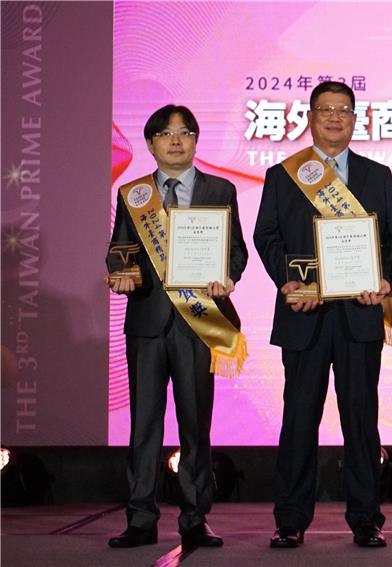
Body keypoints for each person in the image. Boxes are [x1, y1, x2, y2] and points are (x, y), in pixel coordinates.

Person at [253, 81, 392, 549]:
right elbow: (266, 236)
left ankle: (366, 518)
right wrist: (289, 281)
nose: (335, 117)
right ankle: (290, 519)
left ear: (355, 119)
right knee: (299, 418)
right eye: (326, 109)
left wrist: (384, 280)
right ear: (310, 117)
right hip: (304, 316)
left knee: (361, 420)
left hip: (360, 316)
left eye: (344, 109)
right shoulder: (284, 175)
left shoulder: (377, 175)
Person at [106, 104, 248, 549]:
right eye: (165, 134)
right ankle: (140, 518)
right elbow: (120, 251)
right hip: (147, 323)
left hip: (197, 323)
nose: (175, 141)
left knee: (195, 424)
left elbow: (236, 251)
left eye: (185, 133)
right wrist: (121, 274)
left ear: (195, 141)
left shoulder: (220, 189)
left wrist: (227, 277)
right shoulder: (133, 194)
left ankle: (194, 518)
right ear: (150, 144)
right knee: (144, 425)